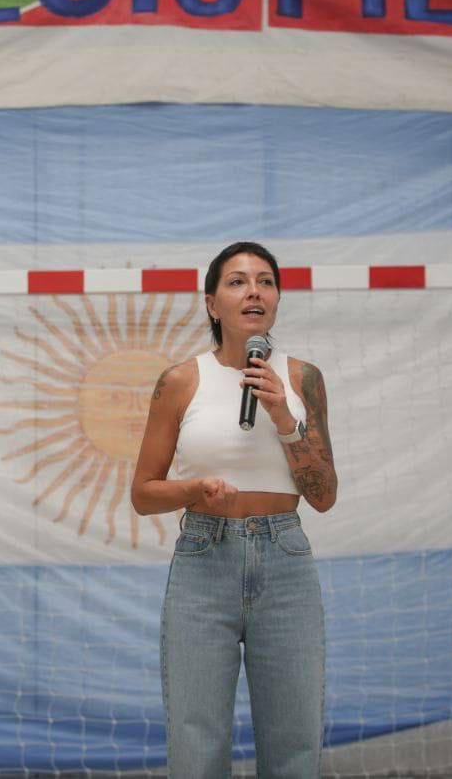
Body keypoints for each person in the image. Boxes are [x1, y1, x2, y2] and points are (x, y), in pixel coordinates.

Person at [131, 241, 338, 777]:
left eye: (266, 281)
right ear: (211, 302)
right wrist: (193, 491)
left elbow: (323, 494)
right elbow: (143, 491)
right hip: (205, 557)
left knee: (294, 742)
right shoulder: (180, 381)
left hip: (285, 558)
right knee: (196, 743)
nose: (255, 291)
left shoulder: (301, 378)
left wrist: (284, 417)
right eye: (239, 281)